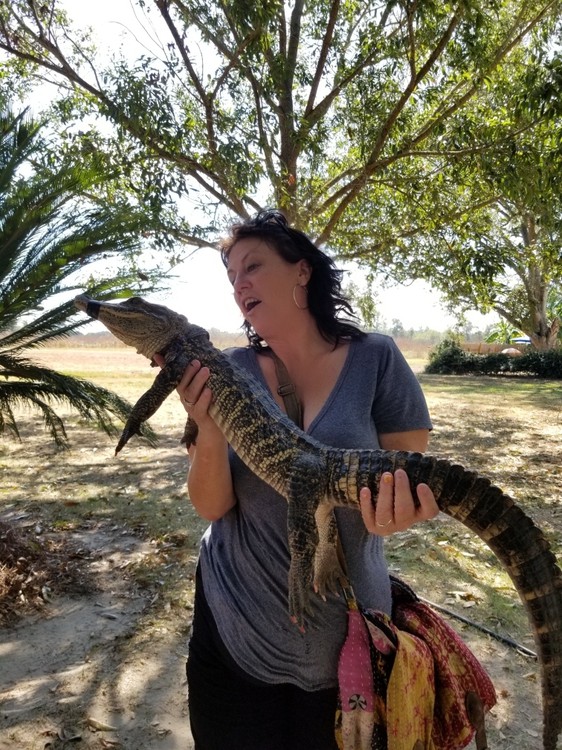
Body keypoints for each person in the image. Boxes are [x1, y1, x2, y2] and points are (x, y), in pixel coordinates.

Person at [172, 209, 439, 750]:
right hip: (233, 627)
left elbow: (401, 487)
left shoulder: (377, 359)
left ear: (302, 270)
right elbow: (211, 506)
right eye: (231, 276)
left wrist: (397, 514)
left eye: (252, 266)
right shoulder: (225, 369)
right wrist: (209, 428)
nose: (239, 284)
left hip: (346, 645)